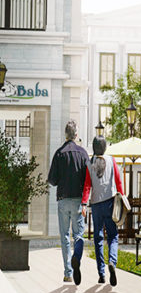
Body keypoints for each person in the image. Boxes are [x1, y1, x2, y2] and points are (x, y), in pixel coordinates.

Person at [47, 120, 89, 284]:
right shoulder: (83, 153)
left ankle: (68, 273)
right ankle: (76, 258)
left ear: (66, 135)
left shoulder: (59, 153)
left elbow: (52, 179)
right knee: (79, 235)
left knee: (64, 236)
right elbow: (88, 179)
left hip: (63, 199)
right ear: (76, 135)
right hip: (79, 200)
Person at [82, 136, 124, 285]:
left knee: (98, 239)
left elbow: (87, 185)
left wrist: (83, 204)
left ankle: (101, 274)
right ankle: (112, 261)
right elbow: (118, 181)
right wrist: (123, 197)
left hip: (96, 205)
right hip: (110, 203)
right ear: (105, 147)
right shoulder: (112, 160)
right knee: (113, 235)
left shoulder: (89, 162)